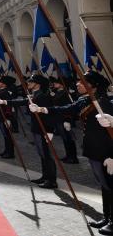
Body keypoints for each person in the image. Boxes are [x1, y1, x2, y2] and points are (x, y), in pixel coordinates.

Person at [34, 70, 113, 233]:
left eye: (82, 82)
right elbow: (66, 109)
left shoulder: (104, 102)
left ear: (94, 86)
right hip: (93, 149)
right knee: (104, 185)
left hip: (106, 152)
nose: (77, 84)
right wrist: (43, 109)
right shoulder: (85, 100)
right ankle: (107, 217)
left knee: (110, 185)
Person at [0, 73, 57, 187]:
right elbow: (22, 101)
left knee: (46, 155)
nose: (28, 83)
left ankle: (51, 181)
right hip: (36, 128)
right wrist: (4, 102)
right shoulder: (35, 94)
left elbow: (50, 114)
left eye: (31, 82)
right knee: (41, 154)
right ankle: (45, 176)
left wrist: (50, 131)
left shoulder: (43, 96)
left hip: (43, 129)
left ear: (37, 84)